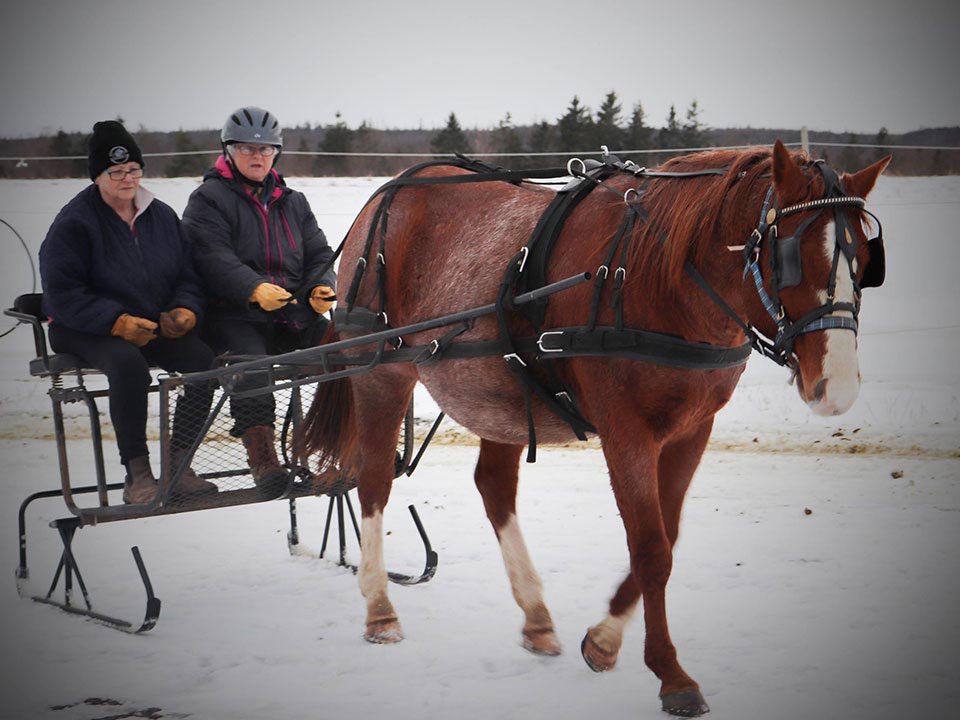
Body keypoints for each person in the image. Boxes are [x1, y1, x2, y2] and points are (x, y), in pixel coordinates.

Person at [39, 120, 218, 504]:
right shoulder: (74, 223)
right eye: (116, 172)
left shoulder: (162, 216)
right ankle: (137, 474)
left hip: (150, 323)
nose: (126, 178)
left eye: (133, 170)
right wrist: (114, 321)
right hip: (83, 327)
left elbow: (188, 274)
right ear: (97, 176)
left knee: (205, 362)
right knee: (128, 367)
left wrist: (185, 309)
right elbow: (62, 293)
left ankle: (179, 464)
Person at [182, 106, 336, 495]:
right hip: (232, 316)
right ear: (229, 151)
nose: (257, 156)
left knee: (346, 352)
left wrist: (321, 286)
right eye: (247, 148)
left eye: (266, 150)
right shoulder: (208, 199)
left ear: (276, 154)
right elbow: (210, 256)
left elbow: (320, 252)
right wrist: (251, 287)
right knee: (252, 366)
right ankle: (264, 461)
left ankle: (341, 447)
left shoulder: (293, 201)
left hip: (293, 314)